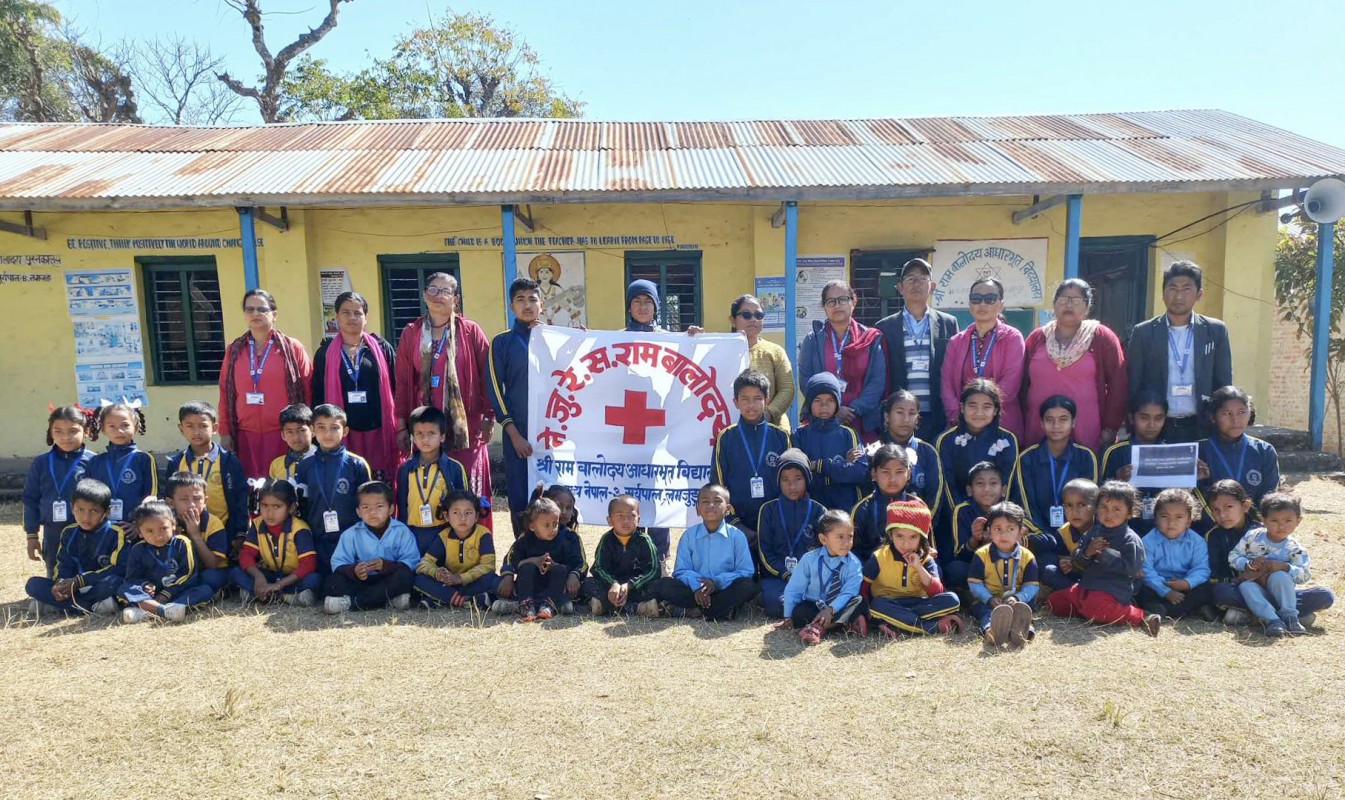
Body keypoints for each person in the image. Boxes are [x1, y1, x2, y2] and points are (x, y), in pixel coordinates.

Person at [393, 273, 495, 527]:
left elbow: (487, 376)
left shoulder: (470, 331)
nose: (438, 296)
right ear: (424, 294)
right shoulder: (412, 333)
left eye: (445, 291)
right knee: (430, 490)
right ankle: (433, 546)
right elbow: (403, 382)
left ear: (456, 299)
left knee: (467, 491)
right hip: (426, 429)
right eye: (433, 289)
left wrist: (489, 417)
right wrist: (402, 425)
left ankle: (475, 546)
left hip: (466, 428)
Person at [623, 278, 702, 564]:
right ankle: (630, 556)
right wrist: (581, 340)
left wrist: (692, 341)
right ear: (628, 306)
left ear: (657, 306)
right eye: (636, 301)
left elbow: (684, 371)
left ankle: (659, 557)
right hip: (626, 429)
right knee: (629, 494)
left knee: (657, 492)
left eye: (648, 302)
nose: (642, 307)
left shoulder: (670, 339)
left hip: (660, 426)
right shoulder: (616, 339)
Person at [1125, 260, 1232, 443]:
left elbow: (1223, 382)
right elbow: (1133, 381)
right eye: (1173, 288)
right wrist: (1133, 426)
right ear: (1163, 293)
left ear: (1199, 294)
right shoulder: (1143, 332)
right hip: (1156, 428)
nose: (1179, 296)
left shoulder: (1215, 331)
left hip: (1201, 427)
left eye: (1186, 289)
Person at [1020, 279, 1128, 451]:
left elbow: (1118, 384)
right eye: (1063, 299)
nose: (1069, 305)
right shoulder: (1038, 338)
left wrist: (1110, 427)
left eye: (1076, 301)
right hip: (1039, 427)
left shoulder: (1102, 337)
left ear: (1087, 307)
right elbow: (1022, 384)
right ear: (1054, 305)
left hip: (1087, 429)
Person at [218, 288, 313, 478]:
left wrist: (305, 431)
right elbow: (225, 392)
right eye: (249, 309)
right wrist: (225, 431)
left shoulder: (292, 348)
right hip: (245, 436)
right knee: (250, 488)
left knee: (282, 488)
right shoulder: (234, 350)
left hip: (284, 436)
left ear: (274, 315)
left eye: (261, 309)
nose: (255, 313)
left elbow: (308, 390)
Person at [1046, 481, 1161, 636]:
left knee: (1098, 606)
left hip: (1112, 591)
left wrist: (1105, 556)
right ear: (1096, 508)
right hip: (1086, 587)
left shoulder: (1130, 540)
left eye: (1116, 509)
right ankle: (1090, 611)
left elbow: (1132, 569)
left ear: (1129, 513)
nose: (1109, 514)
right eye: (1104, 507)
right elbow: (1078, 559)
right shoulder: (1094, 532)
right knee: (1055, 602)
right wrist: (1088, 552)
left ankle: (1141, 616)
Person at [1214, 491, 1335, 632]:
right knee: (1228, 589)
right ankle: (1273, 620)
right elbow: (1234, 556)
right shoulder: (1253, 537)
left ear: (1298, 521)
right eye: (1274, 521)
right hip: (1253, 589)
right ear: (1264, 520)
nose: (1281, 526)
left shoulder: (1295, 548)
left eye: (1288, 521)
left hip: (1284, 597)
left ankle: (1289, 617)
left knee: (1324, 594)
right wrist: (1248, 564)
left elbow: (1304, 575)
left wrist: (1285, 567)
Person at [312, 291, 399, 484]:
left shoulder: (381, 348)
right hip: (342, 434)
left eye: (358, 313)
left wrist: (401, 427)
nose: (352, 317)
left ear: (366, 318)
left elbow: (396, 388)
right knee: (346, 486)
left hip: (378, 432)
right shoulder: (325, 353)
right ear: (337, 316)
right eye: (346, 312)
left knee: (378, 488)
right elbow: (318, 394)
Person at [875, 258, 960, 442]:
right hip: (901, 417)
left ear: (932, 286)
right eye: (911, 279)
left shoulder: (948, 323)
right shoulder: (884, 327)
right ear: (900, 287)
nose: (917, 284)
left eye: (923, 279)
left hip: (938, 414)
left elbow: (955, 369)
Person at [647, 484, 760, 621]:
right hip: (694, 592)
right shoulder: (689, 536)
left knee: (748, 586)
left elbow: (745, 571)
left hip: (724, 589)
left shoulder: (737, 536)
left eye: (717, 501)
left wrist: (716, 582)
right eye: (705, 501)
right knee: (662, 585)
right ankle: (718, 611)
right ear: (697, 509)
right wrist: (698, 587)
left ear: (728, 509)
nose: (711, 505)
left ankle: (695, 611)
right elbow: (681, 571)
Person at [713, 369, 792, 552]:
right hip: (737, 525)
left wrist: (780, 518)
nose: (751, 405)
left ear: (767, 400)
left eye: (757, 399)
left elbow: (790, 481)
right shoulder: (726, 437)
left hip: (775, 524)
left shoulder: (780, 437)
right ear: (736, 402)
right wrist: (734, 521)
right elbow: (718, 483)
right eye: (745, 399)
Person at [797, 280, 886, 440]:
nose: (837, 305)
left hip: (862, 420)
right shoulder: (812, 340)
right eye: (831, 301)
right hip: (822, 420)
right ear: (824, 306)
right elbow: (806, 381)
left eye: (843, 299)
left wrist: (853, 409)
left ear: (854, 301)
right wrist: (834, 409)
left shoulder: (870, 339)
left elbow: (877, 382)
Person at [487, 277, 543, 533]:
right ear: (512, 306)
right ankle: (522, 550)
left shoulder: (555, 339)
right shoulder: (502, 342)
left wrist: (579, 338)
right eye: (520, 300)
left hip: (552, 433)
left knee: (553, 495)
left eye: (532, 299)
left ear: (541, 304)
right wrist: (513, 433)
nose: (527, 305)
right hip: (518, 432)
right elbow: (494, 389)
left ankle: (556, 551)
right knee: (521, 497)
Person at [25, 478, 125, 617]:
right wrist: (61, 584)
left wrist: (81, 581)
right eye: (80, 509)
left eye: (94, 511)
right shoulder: (68, 532)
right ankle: (89, 606)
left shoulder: (117, 533)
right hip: (73, 588)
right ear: (72, 508)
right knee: (32, 584)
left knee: (116, 582)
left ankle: (65, 606)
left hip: (96, 585)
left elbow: (119, 568)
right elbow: (63, 563)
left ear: (106, 511)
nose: (86, 517)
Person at [863, 498, 963, 637]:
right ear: (891, 534)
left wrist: (918, 567)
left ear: (921, 538)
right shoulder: (879, 557)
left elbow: (937, 592)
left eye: (913, 537)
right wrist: (865, 613)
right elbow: (864, 588)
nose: (906, 543)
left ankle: (898, 624)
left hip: (919, 602)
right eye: (900, 536)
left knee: (952, 600)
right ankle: (931, 627)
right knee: (876, 606)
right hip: (889, 603)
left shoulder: (926, 559)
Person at [941, 278, 1026, 438]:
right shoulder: (956, 341)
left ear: (1001, 304)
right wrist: (959, 416)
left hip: (1001, 427)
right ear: (969, 304)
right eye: (976, 299)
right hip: (961, 425)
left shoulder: (1013, 338)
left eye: (990, 299)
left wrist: (983, 414)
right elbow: (947, 385)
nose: (982, 304)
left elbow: (1010, 385)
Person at [323, 481, 420, 614]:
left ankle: (354, 603)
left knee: (406, 576)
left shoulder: (402, 531)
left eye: (379, 506)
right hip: (363, 581)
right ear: (358, 512)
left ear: (391, 509)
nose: (372, 512)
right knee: (332, 581)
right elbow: (338, 563)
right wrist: (354, 570)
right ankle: (388, 600)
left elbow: (411, 562)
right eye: (365, 507)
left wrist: (386, 566)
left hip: (389, 579)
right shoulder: (351, 534)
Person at [296, 404, 372, 574]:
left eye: (334, 428)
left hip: (351, 538)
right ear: (312, 430)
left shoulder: (357, 464)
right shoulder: (305, 466)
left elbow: (368, 504)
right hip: (317, 538)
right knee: (320, 581)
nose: (328, 434)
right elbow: (302, 504)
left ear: (345, 431)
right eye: (321, 428)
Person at [23, 405, 94, 577]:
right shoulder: (41, 463)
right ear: (50, 433)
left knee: (87, 575)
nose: (66, 437)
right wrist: (32, 535)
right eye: (58, 431)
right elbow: (30, 499)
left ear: (86, 431)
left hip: (88, 531)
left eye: (73, 431)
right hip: (53, 532)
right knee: (55, 575)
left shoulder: (94, 461)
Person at [166, 400, 248, 547]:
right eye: (189, 426)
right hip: (185, 533)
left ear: (214, 428)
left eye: (203, 426)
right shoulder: (176, 463)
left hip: (224, 533)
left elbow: (241, 499)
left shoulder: (229, 461)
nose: (196, 432)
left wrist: (240, 532)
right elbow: (169, 499)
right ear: (181, 428)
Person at [119, 499, 214, 623]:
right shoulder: (138, 549)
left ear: (173, 525)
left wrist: (166, 593)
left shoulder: (182, 543)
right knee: (124, 589)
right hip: (151, 596)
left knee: (205, 590)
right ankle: (163, 611)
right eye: (149, 531)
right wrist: (145, 585)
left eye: (163, 528)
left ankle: (147, 611)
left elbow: (188, 574)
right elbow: (132, 578)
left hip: (177, 592)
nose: (158, 536)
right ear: (140, 532)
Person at [493, 496, 586, 622]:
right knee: (526, 568)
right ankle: (526, 606)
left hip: (558, 586)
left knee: (560, 571)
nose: (552, 529)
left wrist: (573, 574)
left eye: (555, 524)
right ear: (532, 526)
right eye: (546, 525)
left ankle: (549, 605)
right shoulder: (525, 539)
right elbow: (510, 559)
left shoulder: (568, 537)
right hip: (530, 587)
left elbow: (579, 562)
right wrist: (508, 576)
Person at [1014, 395, 1099, 534]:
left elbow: (1090, 501)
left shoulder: (1085, 456)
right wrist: (1042, 534)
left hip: (1078, 534)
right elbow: (1025, 503)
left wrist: (1072, 535)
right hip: (1038, 535)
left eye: (1063, 419)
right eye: (1050, 420)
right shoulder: (1027, 458)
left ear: (1073, 422)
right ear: (1041, 423)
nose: (1056, 425)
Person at [757, 449, 825, 618]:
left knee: (820, 600)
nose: (792, 486)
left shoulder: (819, 510)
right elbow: (765, 552)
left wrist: (806, 575)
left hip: (810, 578)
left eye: (798, 479)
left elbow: (824, 551)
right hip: (778, 577)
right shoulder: (768, 510)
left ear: (807, 479)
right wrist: (785, 573)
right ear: (778, 481)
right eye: (785, 480)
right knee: (778, 605)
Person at [781, 509, 868, 643]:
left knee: (859, 601)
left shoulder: (854, 564)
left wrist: (830, 609)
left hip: (838, 607)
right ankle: (842, 624)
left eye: (850, 536)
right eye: (840, 537)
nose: (847, 542)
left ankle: (817, 627)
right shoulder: (809, 559)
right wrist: (788, 616)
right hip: (814, 605)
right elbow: (795, 588)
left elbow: (849, 592)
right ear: (823, 539)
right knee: (799, 613)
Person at [935, 378, 1019, 511]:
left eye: (987, 407)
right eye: (972, 406)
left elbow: (1008, 484)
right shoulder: (946, 440)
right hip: (957, 514)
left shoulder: (1007, 440)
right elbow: (948, 486)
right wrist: (961, 514)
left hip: (998, 514)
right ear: (962, 408)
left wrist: (996, 515)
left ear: (996, 410)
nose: (979, 413)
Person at [233, 478, 320, 607]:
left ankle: (266, 594)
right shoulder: (257, 525)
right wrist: (258, 577)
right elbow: (246, 554)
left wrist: (279, 585)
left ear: (291, 508)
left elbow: (308, 564)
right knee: (236, 572)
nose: (269, 513)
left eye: (277, 506)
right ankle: (285, 596)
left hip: (293, 577)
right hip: (270, 575)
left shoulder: (299, 529)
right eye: (264, 506)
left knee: (313, 579)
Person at [395, 405, 469, 554]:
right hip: (413, 534)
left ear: (442, 437)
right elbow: (401, 505)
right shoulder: (405, 469)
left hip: (445, 533)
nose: (425, 439)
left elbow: (465, 503)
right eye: (419, 434)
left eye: (431, 433)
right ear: (413, 437)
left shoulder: (454, 468)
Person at [966, 501, 1039, 650]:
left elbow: (1031, 586)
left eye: (1010, 529)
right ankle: (991, 631)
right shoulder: (981, 555)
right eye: (997, 529)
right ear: (989, 531)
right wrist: (989, 598)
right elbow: (974, 583)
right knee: (984, 611)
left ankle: (1024, 631)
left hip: (1017, 599)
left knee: (1024, 607)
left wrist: (1018, 598)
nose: (1003, 534)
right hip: (989, 600)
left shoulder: (1028, 557)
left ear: (1021, 531)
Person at [793, 373, 869, 511]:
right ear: (809, 403)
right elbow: (799, 476)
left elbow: (860, 472)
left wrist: (819, 466)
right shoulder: (799, 435)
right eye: (817, 400)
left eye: (830, 400)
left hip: (845, 509)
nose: (824, 406)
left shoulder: (848, 434)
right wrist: (842, 467)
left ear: (837, 404)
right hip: (811, 509)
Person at [413, 490, 500, 610]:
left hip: (473, 582)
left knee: (493, 579)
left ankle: (443, 600)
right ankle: (469, 601)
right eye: (456, 513)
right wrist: (437, 574)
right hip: (449, 584)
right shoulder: (444, 536)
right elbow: (424, 563)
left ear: (476, 516)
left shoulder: (483, 534)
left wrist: (460, 578)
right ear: (446, 516)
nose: (462, 518)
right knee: (419, 579)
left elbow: (488, 566)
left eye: (468, 513)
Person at [1137, 488, 1213, 619]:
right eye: (1164, 516)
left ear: (1188, 522)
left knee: (1205, 589)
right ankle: (1180, 610)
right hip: (1157, 586)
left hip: (1184, 586)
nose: (1171, 523)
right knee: (1139, 587)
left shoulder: (1197, 541)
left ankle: (1164, 610)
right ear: (1155, 519)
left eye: (1179, 517)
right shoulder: (1147, 541)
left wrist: (1186, 583)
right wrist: (1165, 591)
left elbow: (1201, 569)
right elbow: (1146, 570)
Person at [1198, 386, 1280, 508]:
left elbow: (1269, 498)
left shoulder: (1264, 451)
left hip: (1255, 518)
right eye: (1226, 414)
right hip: (1213, 518)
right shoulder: (1200, 451)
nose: (1235, 420)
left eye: (1241, 412)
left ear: (1250, 412)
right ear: (1213, 417)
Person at [1100, 391, 1168, 534]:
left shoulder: (1172, 452)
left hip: (1165, 528)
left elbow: (1182, 496)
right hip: (1124, 529)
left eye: (1158, 418)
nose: (1151, 424)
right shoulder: (1115, 452)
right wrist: (1117, 481)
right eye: (1144, 418)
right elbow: (1099, 495)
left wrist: (1193, 479)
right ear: (1131, 418)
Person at [870, 389, 943, 521]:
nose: (906, 419)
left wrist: (921, 525)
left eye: (912, 413)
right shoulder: (873, 451)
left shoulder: (927, 452)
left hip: (919, 527)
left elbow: (935, 496)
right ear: (887, 416)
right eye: (900, 412)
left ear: (917, 418)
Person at [583, 494, 661, 617]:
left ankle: (607, 607)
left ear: (638, 520)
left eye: (631, 516)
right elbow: (598, 568)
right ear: (609, 520)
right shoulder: (607, 540)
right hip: (612, 588)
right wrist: (613, 583)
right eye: (620, 516)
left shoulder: (644, 540)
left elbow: (654, 570)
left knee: (662, 585)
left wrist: (630, 585)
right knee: (587, 583)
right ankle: (637, 608)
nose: (626, 521)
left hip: (636, 587)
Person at [85, 401, 157, 526]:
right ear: (103, 429)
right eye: (112, 426)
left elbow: (152, 496)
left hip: (133, 529)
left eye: (125, 425)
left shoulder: (144, 459)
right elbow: (87, 498)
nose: (119, 431)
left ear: (135, 426)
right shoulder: (95, 462)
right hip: (101, 528)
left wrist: (138, 525)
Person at [729, 294, 795, 430]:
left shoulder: (775, 352)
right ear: (733, 320)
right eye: (746, 315)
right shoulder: (719, 351)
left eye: (758, 315)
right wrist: (693, 339)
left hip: (773, 429)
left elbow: (787, 389)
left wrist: (768, 413)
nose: (753, 319)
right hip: (732, 430)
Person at [850, 444, 923, 564]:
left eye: (899, 472)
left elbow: (927, 549)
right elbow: (853, 554)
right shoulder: (863, 509)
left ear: (909, 474)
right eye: (885, 472)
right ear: (874, 473)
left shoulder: (918, 507)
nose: (892, 479)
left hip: (911, 569)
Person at [164, 471, 231, 596]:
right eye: (184, 499)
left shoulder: (213, 523)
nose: (191, 505)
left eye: (197, 499)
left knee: (210, 578)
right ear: (171, 502)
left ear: (205, 501)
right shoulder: (165, 523)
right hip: (179, 571)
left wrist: (195, 535)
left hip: (207, 570)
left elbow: (212, 564)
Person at [945, 461, 1008, 589]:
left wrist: (1010, 538)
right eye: (980, 483)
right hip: (976, 567)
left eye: (993, 483)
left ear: (1003, 490)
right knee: (954, 569)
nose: (987, 489)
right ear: (969, 490)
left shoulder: (1011, 511)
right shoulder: (962, 511)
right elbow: (959, 555)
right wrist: (974, 540)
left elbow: (1036, 539)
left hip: (1006, 566)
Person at [1030, 478, 1097, 592]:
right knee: (1047, 567)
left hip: (1100, 580)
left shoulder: (1104, 530)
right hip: (1075, 581)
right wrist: (1064, 564)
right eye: (1069, 505)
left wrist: (1076, 562)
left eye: (1081, 505)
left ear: (1096, 507)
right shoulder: (1063, 532)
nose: (1074, 512)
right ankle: (1075, 594)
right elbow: (1059, 557)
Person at [270, 403, 316, 483]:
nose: (296, 437)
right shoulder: (276, 465)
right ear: (283, 435)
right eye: (290, 432)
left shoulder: (325, 461)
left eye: (301, 430)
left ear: (313, 430)